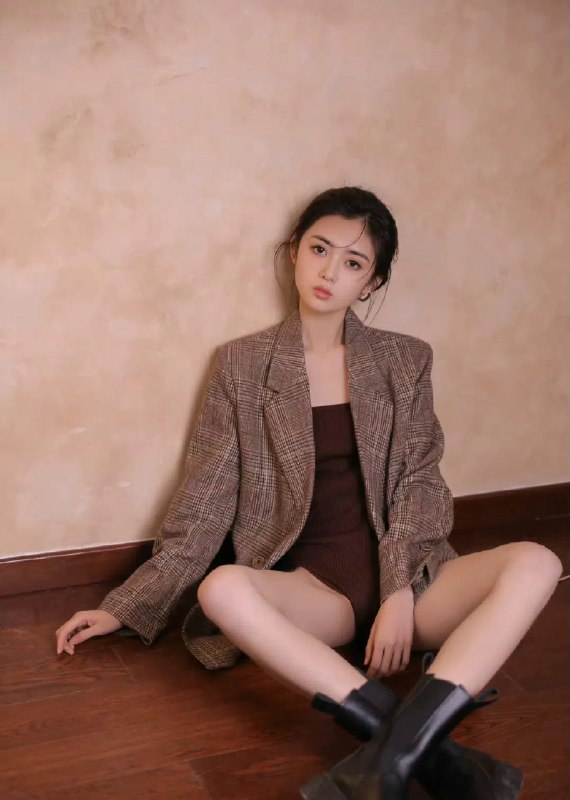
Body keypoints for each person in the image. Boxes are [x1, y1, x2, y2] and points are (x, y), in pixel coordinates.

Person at [55, 187, 563, 799]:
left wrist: (398, 591)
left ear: (372, 283)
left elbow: (421, 483)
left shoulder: (405, 360)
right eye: (320, 249)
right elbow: (206, 499)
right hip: (318, 593)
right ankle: (431, 758)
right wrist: (127, 605)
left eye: (353, 262)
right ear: (295, 250)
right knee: (220, 589)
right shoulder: (242, 365)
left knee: (539, 561)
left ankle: (386, 764)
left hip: (415, 584)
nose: (329, 272)